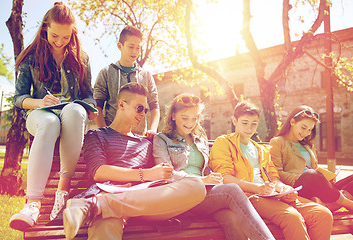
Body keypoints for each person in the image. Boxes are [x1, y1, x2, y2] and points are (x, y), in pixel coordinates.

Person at [62, 83, 206, 240]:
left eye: (145, 110)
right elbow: (99, 172)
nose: (143, 114)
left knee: (197, 186)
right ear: (121, 105)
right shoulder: (97, 135)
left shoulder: (145, 142)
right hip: (109, 192)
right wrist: (146, 174)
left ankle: (93, 205)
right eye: (139, 108)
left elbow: (161, 175)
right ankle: (99, 205)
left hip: (142, 201)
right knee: (106, 223)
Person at [9, 2, 97, 231]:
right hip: (40, 115)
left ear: (73, 34)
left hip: (72, 117)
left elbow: (89, 97)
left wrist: (84, 106)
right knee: (50, 121)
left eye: (66, 37)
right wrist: (40, 102)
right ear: (45, 28)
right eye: (55, 35)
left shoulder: (81, 58)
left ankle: (62, 192)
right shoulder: (30, 56)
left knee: (74, 110)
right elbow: (18, 98)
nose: (59, 41)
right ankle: (33, 204)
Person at [153, 93, 275, 240]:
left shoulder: (200, 140)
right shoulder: (161, 139)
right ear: (173, 116)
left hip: (203, 196)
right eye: (185, 118)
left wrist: (211, 179)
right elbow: (165, 173)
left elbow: (206, 170)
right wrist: (201, 181)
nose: (190, 123)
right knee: (232, 190)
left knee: (230, 217)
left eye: (195, 118)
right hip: (180, 195)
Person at [209, 101, 333, 240]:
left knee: (322, 214)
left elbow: (273, 177)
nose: (249, 128)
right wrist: (258, 188)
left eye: (254, 124)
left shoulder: (261, 149)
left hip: (271, 195)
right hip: (247, 196)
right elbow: (225, 177)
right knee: (292, 217)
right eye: (244, 123)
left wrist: (284, 189)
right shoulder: (224, 143)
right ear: (234, 121)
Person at [270, 105, 353, 212]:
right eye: (303, 128)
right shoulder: (277, 142)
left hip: (317, 186)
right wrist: (305, 176)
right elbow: (277, 173)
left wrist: (326, 177)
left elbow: (315, 168)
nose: (306, 133)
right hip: (296, 189)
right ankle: (348, 204)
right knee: (311, 174)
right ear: (292, 122)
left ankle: (328, 205)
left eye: (309, 130)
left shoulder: (308, 145)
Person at [93, 25, 159, 140]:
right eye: (131, 47)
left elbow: (155, 107)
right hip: (112, 136)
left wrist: (152, 129)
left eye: (138, 48)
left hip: (139, 138)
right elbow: (97, 107)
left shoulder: (146, 75)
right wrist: (105, 132)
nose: (135, 51)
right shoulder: (106, 72)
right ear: (120, 46)